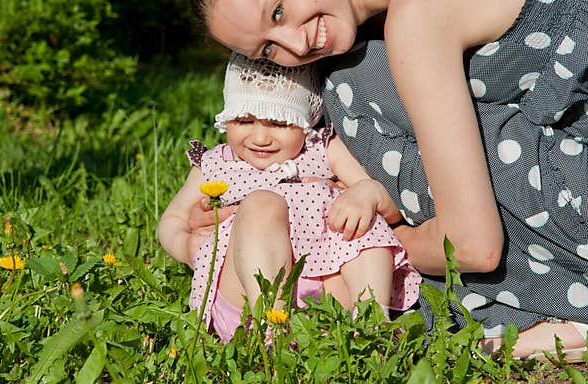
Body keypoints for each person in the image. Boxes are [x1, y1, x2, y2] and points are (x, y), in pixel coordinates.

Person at [183, 0, 588, 361]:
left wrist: (341, 243)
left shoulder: (418, 13)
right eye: (267, 53)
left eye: (277, 12)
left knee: (351, 81)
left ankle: (534, 321)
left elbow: (474, 247)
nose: (293, 46)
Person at [157, 51, 421, 343]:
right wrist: (184, 245)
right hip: (246, 294)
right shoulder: (217, 163)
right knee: (262, 203)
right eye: (244, 121)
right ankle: (270, 328)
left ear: (307, 121)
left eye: (280, 123)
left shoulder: (323, 149)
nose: (260, 138)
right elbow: (172, 219)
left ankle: (371, 319)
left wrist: (367, 193)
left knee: (359, 212)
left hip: (330, 295)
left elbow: (392, 210)